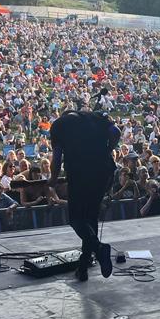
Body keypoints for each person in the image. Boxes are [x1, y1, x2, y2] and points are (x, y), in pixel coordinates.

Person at [49, 103, 120, 282]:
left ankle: (98, 248)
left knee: (76, 219)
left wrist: (53, 179)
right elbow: (116, 132)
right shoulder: (95, 117)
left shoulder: (59, 125)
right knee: (90, 217)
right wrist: (108, 149)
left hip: (80, 173)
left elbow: (57, 158)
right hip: (104, 171)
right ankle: (83, 266)